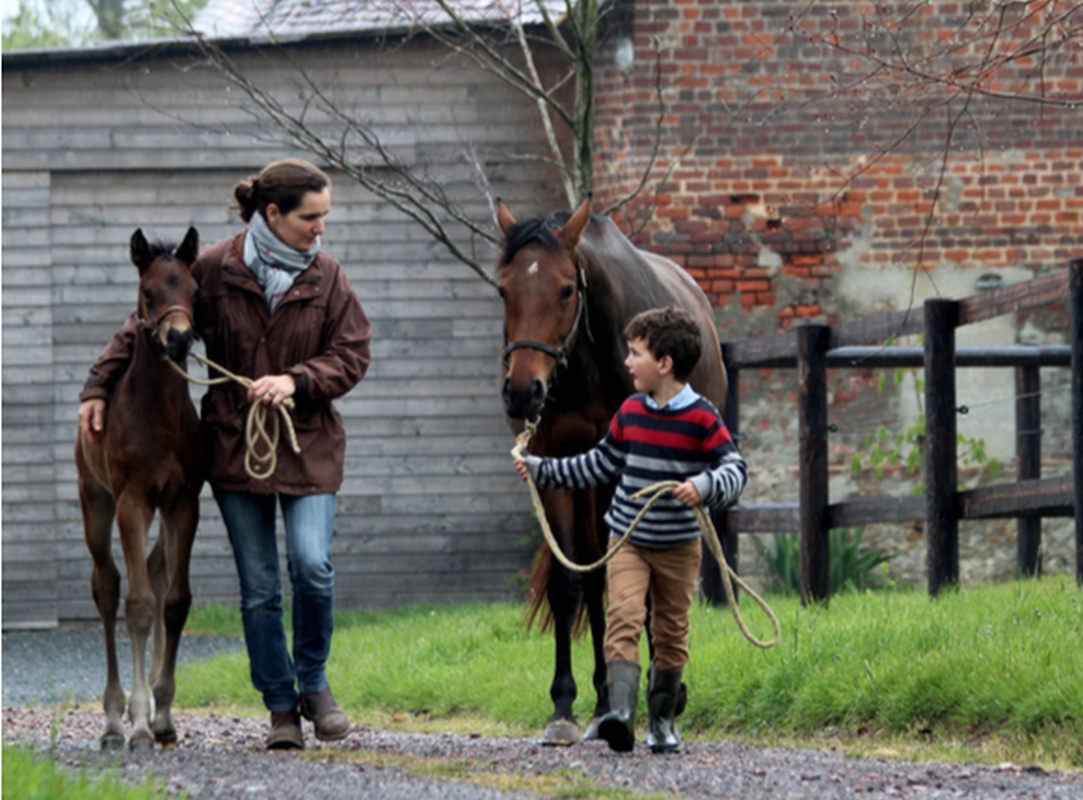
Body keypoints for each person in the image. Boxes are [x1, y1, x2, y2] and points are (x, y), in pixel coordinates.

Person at [78, 158, 372, 750]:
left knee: (312, 568)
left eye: (325, 217)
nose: (321, 228)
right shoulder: (213, 266)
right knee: (260, 586)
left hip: (306, 445)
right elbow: (148, 319)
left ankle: (314, 683)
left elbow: (353, 353)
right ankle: (281, 709)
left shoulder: (329, 277)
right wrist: (96, 385)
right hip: (236, 447)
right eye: (311, 217)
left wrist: (297, 380)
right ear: (273, 214)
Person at [513, 305, 747, 754]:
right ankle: (619, 713)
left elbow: (735, 469)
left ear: (665, 365)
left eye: (635, 353)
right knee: (622, 617)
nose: (626, 362)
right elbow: (599, 464)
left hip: (679, 546)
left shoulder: (702, 418)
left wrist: (704, 485)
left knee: (670, 633)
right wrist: (542, 469)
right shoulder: (630, 412)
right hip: (629, 539)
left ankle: (661, 721)